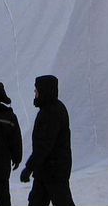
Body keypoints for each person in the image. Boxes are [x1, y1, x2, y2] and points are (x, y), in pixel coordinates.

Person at [20, 75, 75, 206]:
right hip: (46, 169)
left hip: (54, 170)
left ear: (44, 91)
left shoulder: (51, 113)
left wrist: (29, 168)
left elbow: (44, 145)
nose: (35, 94)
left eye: (37, 91)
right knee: (36, 201)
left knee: (62, 201)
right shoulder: (51, 109)